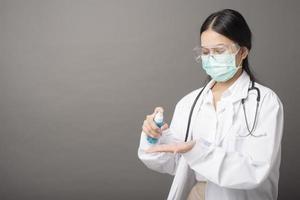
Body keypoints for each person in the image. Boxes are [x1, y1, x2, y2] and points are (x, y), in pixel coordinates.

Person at [137, 8, 284, 200]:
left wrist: (196, 151)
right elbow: (172, 164)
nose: (211, 58)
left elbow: (254, 172)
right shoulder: (189, 103)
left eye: (219, 51)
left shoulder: (264, 102)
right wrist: (154, 137)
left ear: (243, 51)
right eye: (206, 52)